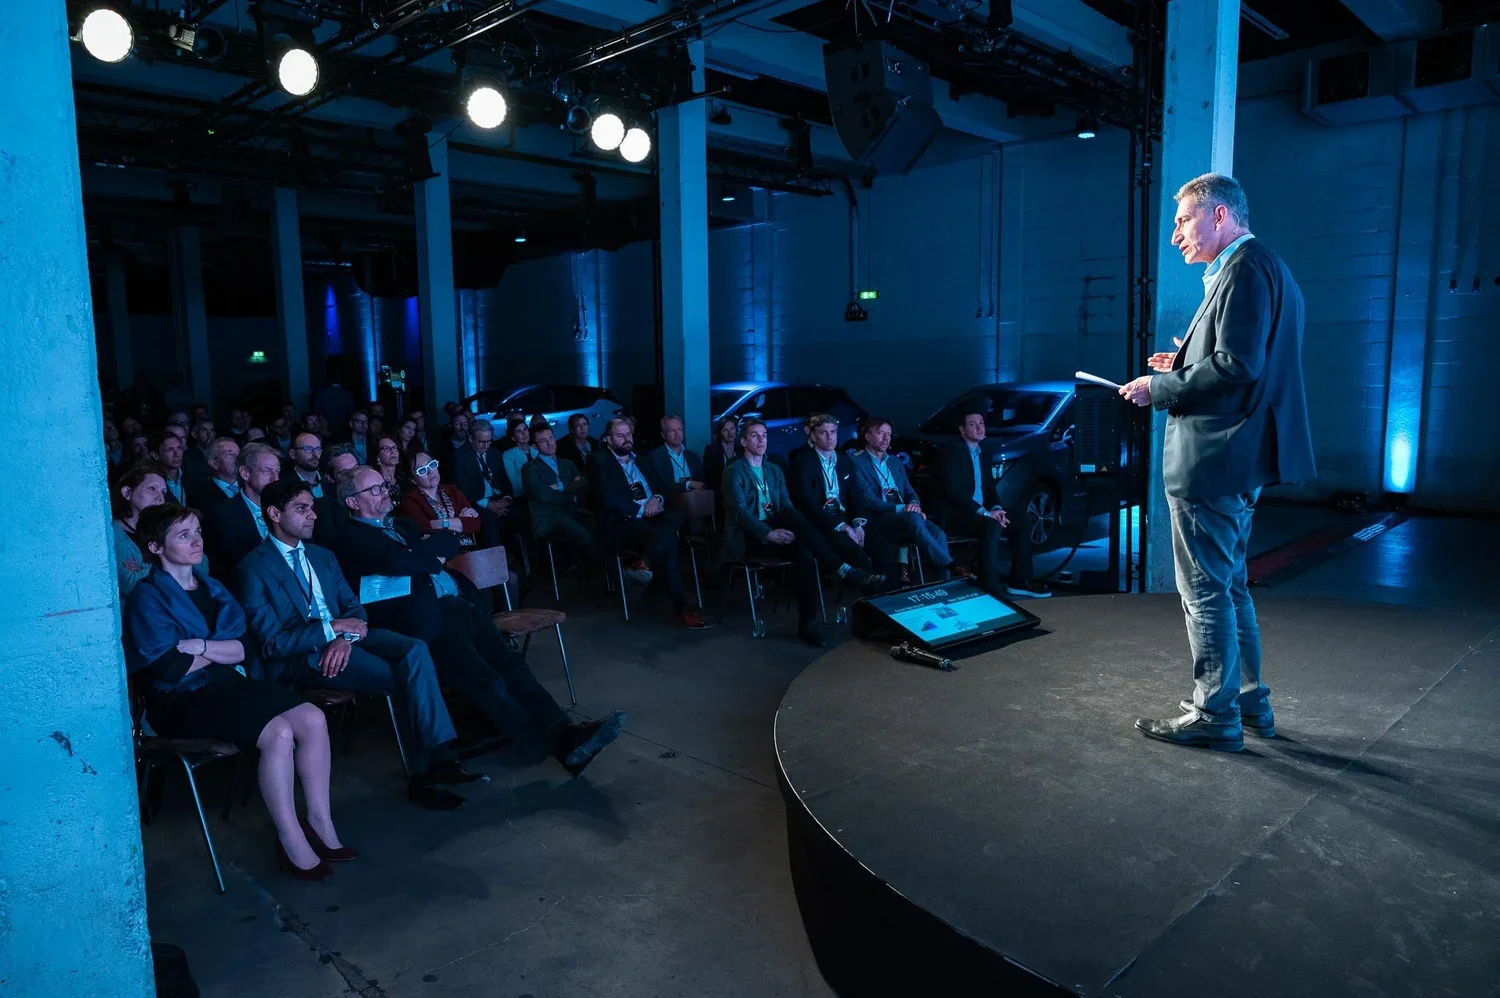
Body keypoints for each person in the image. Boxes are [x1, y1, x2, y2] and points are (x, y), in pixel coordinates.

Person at [1119, 173, 1315, 752]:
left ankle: (1214, 713)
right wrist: (1182, 361)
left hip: (1215, 458)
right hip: (1238, 458)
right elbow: (1243, 358)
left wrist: (1158, 388)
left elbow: (1237, 366)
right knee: (1230, 587)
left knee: (1204, 590)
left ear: (1220, 215)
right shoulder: (1268, 269)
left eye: (1184, 220)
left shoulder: (1243, 269)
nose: (1175, 234)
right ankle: (1249, 701)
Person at [331, 466, 627, 777]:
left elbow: (449, 541)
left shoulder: (403, 525)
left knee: (512, 666)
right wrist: (425, 554)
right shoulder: (350, 537)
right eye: (374, 489)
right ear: (352, 502)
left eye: (383, 485)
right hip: (426, 621)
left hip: (461, 605)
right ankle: (552, 744)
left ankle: (564, 732)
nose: (384, 492)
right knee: (485, 680)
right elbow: (400, 561)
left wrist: (423, 554)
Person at [123, 503, 351, 880]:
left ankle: (319, 822)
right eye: (183, 535)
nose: (196, 541)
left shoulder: (212, 588)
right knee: (278, 732)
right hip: (178, 700)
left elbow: (244, 648)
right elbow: (168, 668)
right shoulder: (148, 597)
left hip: (226, 685)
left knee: (312, 718)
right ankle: (291, 839)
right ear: (155, 547)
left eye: (197, 532)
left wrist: (199, 646)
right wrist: (218, 650)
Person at [234, 477, 479, 810]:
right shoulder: (253, 568)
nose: (313, 515)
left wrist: (345, 637)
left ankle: (439, 759)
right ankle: (428, 773)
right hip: (304, 655)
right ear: (275, 514)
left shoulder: (322, 556)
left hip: (347, 639)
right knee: (403, 676)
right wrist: (331, 630)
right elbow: (272, 644)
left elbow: (354, 607)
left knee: (414, 648)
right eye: (302, 509)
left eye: (313, 508)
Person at [722, 420, 882, 646]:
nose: (761, 440)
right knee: (800, 521)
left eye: (764, 435)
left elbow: (786, 507)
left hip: (780, 529)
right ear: (743, 441)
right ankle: (841, 567)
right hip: (751, 536)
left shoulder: (774, 469)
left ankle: (808, 624)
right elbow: (740, 513)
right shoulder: (733, 471)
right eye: (755, 436)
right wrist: (769, 533)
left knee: (804, 553)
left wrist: (784, 530)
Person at [590, 418, 707, 629]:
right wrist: (641, 509)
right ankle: (682, 608)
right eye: (620, 435)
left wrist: (657, 499)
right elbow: (607, 498)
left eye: (629, 434)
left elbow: (661, 488)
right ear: (609, 440)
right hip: (624, 521)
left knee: (677, 513)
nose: (626, 439)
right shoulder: (599, 461)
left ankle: (645, 562)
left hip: (653, 518)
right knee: (668, 542)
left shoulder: (643, 461)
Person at [932, 413, 1052, 599]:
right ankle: (989, 586)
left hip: (981, 512)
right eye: (973, 424)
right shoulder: (953, 450)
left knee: (1022, 520)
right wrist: (985, 513)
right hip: (957, 515)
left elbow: (989, 488)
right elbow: (954, 492)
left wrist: (996, 508)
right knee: (991, 525)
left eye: (981, 423)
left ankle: (1020, 581)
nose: (979, 427)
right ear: (962, 430)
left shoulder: (983, 452)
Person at [848, 417, 954, 584]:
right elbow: (868, 500)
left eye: (889, 434)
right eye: (881, 433)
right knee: (913, 518)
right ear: (867, 436)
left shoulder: (894, 461)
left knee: (938, 533)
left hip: (906, 516)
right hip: (880, 519)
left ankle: (945, 583)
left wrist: (915, 505)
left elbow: (909, 491)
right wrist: (904, 508)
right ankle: (951, 565)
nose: (886, 438)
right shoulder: (856, 462)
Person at [787, 415, 883, 590]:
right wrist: (842, 526)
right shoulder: (802, 462)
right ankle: (871, 595)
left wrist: (857, 523)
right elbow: (807, 503)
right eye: (823, 433)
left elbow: (855, 495)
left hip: (845, 516)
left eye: (833, 432)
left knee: (879, 541)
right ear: (813, 436)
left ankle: (891, 592)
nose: (829, 437)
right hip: (821, 520)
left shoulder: (845, 460)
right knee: (851, 548)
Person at [113, 462, 210, 597]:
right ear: (127, 492)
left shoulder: (167, 527)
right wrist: (178, 564)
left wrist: (144, 569)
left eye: (163, 492)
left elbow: (201, 565)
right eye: (152, 489)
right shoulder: (113, 535)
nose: (160, 498)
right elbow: (130, 584)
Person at [522, 426, 601, 564]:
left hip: (573, 510)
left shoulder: (567, 463)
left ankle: (604, 568)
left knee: (601, 525)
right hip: (549, 517)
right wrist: (570, 490)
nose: (549, 443)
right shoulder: (530, 467)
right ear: (535, 446)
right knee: (582, 533)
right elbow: (543, 494)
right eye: (543, 441)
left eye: (551, 438)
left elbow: (583, 484)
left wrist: (559, 486)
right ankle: (605, 570)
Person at [204, 442, 281, 580]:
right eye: (267, 470)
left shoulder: (284, 509)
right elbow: (224, 571)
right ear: (245, 473)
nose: (275, 479)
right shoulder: (221, 516)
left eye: (277, 472)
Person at [396, 451, 487, 550]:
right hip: (440, 555)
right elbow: (426, 531)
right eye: (422, 470)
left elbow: (476, 523)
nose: (430, 471)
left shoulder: (453, 490)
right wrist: (460, 521)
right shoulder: (410, 501)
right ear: (413, 479)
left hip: (469, 550)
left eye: (432, 464)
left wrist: (440, 523)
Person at [646, 415, 707, 493]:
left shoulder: (694, 456)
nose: (677, 433)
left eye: (680, 429)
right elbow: (661, 485)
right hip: (669, 499)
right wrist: (688, 484)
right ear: (663, 435)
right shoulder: (655, 457)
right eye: (672, 430)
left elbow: (702, 483)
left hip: (694, 498)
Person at [187, 437, 241, 512]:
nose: (238, 458)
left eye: (239, 453)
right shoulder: (200, 496)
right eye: (229, 454)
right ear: (214, 463)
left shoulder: (250, 487)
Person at [500, 418, 538, 495]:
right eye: (518, 431)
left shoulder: (536, 451)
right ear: (513, 438)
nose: (524, 433)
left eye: (525, 429)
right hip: (522, 496)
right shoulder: (508, 455)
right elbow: (514, 482)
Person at [154, 432, 190, 505]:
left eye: (179, 448)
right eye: (170, 450)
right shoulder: (152, 482)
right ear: (155, 455)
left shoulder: (191, 476)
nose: (177, 454)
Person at [373, 434, 403, 502]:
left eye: (395, 448)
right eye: (387, 448)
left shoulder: (403, 480)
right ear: (378, 456)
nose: (393, 452)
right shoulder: (374, 482)